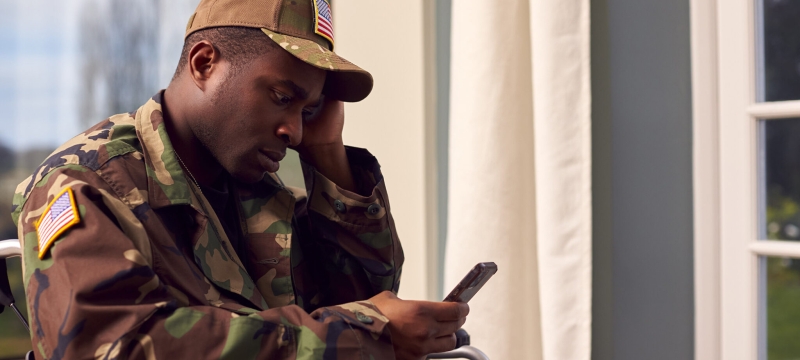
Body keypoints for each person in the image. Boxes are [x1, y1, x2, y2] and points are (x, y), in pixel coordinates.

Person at [9, 0, 468, 358]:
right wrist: (362, 335)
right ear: (204, 63)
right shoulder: (86, 183)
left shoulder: (259, 193)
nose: (295, 131)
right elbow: (112, 347)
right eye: (282, 96)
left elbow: (363, 299)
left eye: (308, 109)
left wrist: (328, 152)